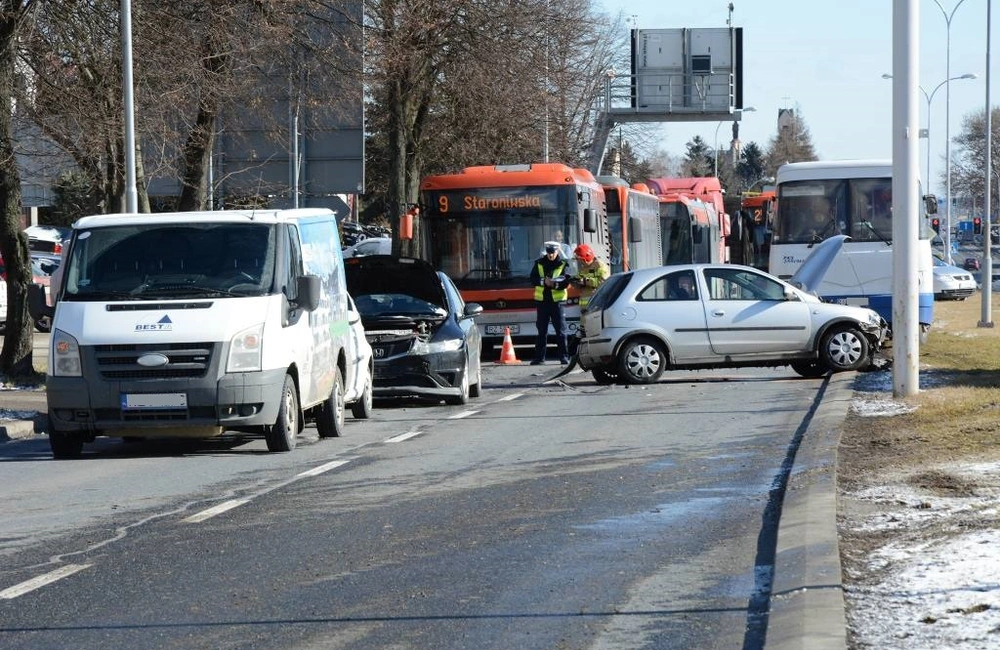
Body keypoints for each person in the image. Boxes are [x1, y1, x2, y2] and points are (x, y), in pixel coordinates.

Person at [529, 241, 571, 365]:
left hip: (557, 303)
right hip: (542, 302)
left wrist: (554, 284)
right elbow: (532, 279)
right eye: (549, 253)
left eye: (552, 253)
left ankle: (564, 357)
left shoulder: (563, 264)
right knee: (542, 331)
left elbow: (566, 281)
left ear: (557, 252)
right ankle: (539, 358)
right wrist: (543, 282)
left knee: (561, 331)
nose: (550, 255)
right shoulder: (539, 263)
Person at [570, 243, 609, 310]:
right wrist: (574, 282)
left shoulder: (599, 266)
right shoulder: (583, 269)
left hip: (596, 306)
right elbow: (579, 282)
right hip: (585, 308)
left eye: (580, 259)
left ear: (586, 258)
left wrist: (585, 281)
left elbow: (603, 282)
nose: (579, 262)